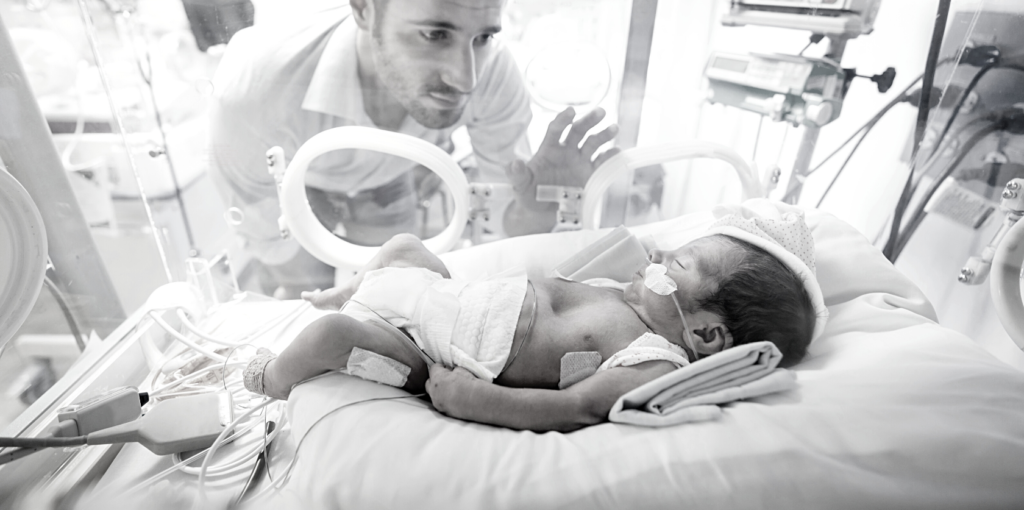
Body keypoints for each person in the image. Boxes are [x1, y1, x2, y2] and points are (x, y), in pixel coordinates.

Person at [208, 0, 619, 298]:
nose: (466, 79)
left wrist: (537, 206)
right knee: (300, 303)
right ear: (362, 5)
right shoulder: (258, 86)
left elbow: (496, 235)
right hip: (295, 187)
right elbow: (264, 230)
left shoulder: (493, 71)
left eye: (482, 36)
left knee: (392, 295)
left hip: (395, 178)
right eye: (434, 35)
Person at [241, 202, 826, 431]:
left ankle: (272, 377)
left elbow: (575, 407)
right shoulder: (625, 293)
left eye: (682, 263)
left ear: (705, 332)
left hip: (431, 352)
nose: (660, 258)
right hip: (443, 299)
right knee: (402, 247)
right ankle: (354, 289)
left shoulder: (652, 359)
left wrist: (473, 401)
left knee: (333, 336)